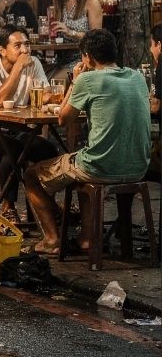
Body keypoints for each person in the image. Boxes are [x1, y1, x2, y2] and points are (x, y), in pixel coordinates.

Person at [23, 29, 152, 254]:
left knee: (31, 175)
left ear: (88, 57)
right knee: (80, 168)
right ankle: (86, 239)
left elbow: (63, 118)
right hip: (138, 167)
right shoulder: (137, 77)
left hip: (100, 167)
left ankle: (52, 240)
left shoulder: (89, 79)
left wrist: (75, 80)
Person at [0, 26, 60, 222]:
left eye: (27, 44)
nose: (25, 50)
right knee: (13, 148)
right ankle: (7, 206)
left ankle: (41, 205)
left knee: (49, 149)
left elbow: (44, 95)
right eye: (17, 45)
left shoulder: (33, 63)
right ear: (2, 50)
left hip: (15, 127)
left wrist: (58, 96)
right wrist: (17, 69)